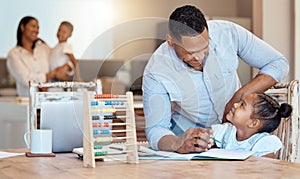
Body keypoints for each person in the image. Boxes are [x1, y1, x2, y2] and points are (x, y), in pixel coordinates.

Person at [142, 5, 289, 154]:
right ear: (170, 41)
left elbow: (278, 63)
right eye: (190, 53)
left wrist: (240, 96)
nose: (199, 58)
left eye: (204, 48)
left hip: (237, 133)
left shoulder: (229, 33)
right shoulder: (156, 72)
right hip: (191, 143)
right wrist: (177, 143)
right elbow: (156, 129)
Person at [211, 93, 292, 158]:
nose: (235, 104)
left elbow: (266, 169)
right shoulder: (225, 130)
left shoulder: (264, 143)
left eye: (242, 105)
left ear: (253, 123)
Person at [7, 16, 71, 97]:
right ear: (22, 27)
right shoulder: (13, 54)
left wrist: (67, 67)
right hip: (28, 101)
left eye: (38, 28)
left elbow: (60, 57)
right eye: (33, 26)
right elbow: (25, 79)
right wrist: (51, 75)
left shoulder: (44, 49)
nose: (36, 31)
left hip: (54, 98)